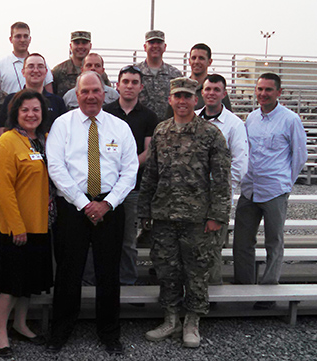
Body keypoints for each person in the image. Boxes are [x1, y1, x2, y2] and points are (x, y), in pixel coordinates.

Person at [46, 71, 138, 355]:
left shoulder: (120, 127)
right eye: (84, 91)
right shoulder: (63, 124)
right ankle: (60, 331)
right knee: (68, 272)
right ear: (76, 94)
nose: (90, 96)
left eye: (95, 91)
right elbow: (56, 167)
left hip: (109, 208)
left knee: (108, 273)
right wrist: (82, 203)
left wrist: (107, 203)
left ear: (104, 93)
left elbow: (130, 170)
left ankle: (109, 333)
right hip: (73, 207)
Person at [139, 77, 231, 349]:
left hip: (197, 219)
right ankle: (170, 320)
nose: (182, 101)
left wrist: (217, 216)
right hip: (164, 217)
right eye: (177, 96)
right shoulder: (161, 131)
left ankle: (192, 322)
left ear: (196, 99)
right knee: (167, 271)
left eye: (187, 96)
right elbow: (151, 174)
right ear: (170, 99)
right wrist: (145, 210)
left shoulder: (210, 134)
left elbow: (221, 179)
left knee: (197, 272)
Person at [0, 90, 54, 358]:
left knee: (27, 281)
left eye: (35, 109)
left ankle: (20, 324)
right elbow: (4, 189)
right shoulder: (6, 142)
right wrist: (17, 226)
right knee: (10, 282)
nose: (30, 114)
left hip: (38, 222)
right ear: (15, 113)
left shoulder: (44, 141)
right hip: (12, 225)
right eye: (25, 110)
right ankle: (1, 330)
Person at [233, 73, 307, 309]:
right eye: (259, 89)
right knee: (242, 241)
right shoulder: (251, 118)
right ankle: (244, 286)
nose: (263, 93)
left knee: (274, 241)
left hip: (275, 189)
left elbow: (300, 155)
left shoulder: (290, 119)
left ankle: (268, 291)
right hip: (250, 189)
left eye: (268, 89)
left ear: (279, 92)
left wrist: (285, 182)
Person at [104, 65, 160, 287]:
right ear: (117, 85)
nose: (129, 86)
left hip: (132, 187)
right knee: (103, 239)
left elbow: (148, 151)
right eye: (125, 81)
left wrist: (126, 169)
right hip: (105, 186)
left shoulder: (148, 116)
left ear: (141, 87)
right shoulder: (105, 112)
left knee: (128, 240)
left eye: (134, 82)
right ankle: (100, 280)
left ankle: (127, 281)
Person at [197, 74, 248, 285]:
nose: (211, 93)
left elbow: (240, 162)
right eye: (208, 89)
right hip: (193, 196)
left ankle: (213, 299)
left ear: (224, 93)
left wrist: (224, 190)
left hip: (217, 198)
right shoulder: (193, 119)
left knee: (213, 249)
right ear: (202, 92)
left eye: (216, 90)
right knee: (193, 248)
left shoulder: (234, 124)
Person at [0, 53, 67, 136]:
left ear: (46, 72)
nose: (36, 70)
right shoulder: (11, 99)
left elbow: (64, 131)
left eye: (40, 66)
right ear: (23, 72)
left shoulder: (57, 102)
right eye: (31, 66)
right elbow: (2, 129)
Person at [165, 43, 232, 118]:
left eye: (201, 58)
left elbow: (228, 117)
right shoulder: (180, 87)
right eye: (194, 58)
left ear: (209, 62)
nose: (197, 62)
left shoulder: (216, 90)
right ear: (189, 61)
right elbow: (169, 117)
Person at [0, 22, 53, 94]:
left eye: (25, 36)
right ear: (10, 39)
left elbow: (49, 92)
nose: (22, 40)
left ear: (30, 39)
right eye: (18, 36)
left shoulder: (41, 63)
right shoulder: (1, 65)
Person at [136, 30, 183, 120]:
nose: (155, 46)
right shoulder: (136, 72)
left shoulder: (175, 74)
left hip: (168, 128)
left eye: (159, 43)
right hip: (141, 126)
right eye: (152, 43)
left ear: (164, 47)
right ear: (145, 47)